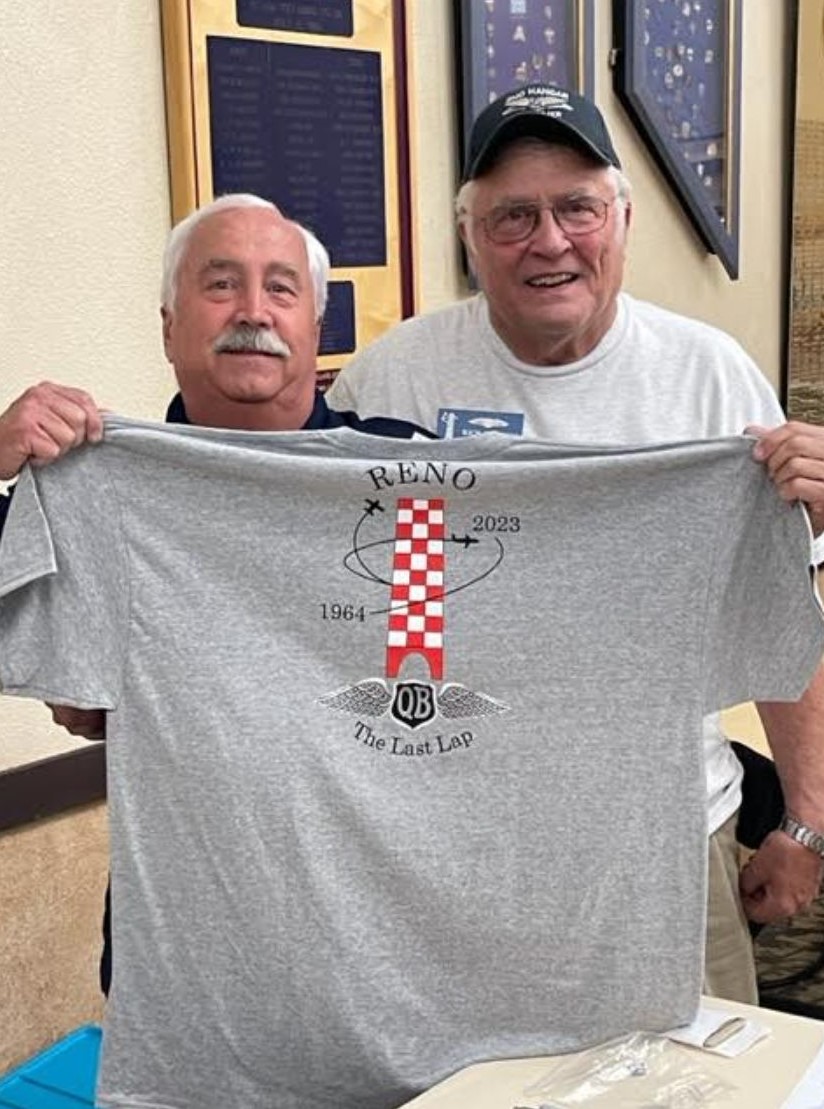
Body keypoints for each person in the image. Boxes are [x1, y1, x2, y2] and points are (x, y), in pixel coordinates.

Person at [326, 83, 824, 1004]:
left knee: (700, 1073)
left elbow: (781, 624)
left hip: (668, 844)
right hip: (442, 853)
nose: (549, 240)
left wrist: (808, 820)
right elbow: (319, 590)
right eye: (512, 215)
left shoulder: (709, 379)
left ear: (623, 220)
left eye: (577, 208)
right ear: (469, 236)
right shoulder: (390, 382)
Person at [0, 194, 428, 994]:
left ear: (316, 326)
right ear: (169, 326)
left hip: (387, 951)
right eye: (222, 283)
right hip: (181, 959)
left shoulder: (414, 483)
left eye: (281, 287)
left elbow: (518, 634)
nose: (253, 311)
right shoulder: (95, 489)